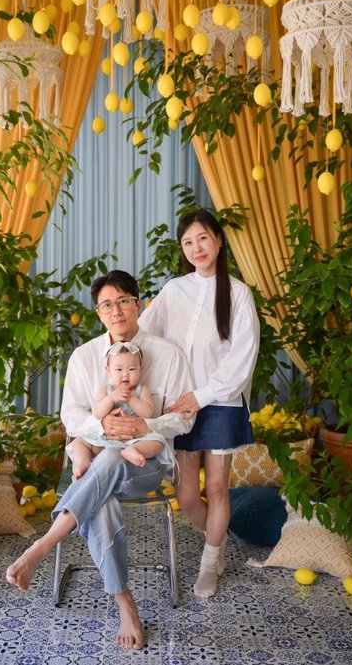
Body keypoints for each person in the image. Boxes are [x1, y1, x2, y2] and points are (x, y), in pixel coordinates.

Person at [6, 270, 193, 650]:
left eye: (123, 301)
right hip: (98, 458)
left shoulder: (169, 354)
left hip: (145, 465)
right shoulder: (85, 356)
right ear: (98, 312)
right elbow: (71, 416)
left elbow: (185, 419)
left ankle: (44, 545)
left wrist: (144, 423)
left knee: (106, 465)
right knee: (102, 493)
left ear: (138, 305)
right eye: (107, 305)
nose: (116, 311)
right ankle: (125, 603)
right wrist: (101, 424)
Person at [139, 208, 260, 600]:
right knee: (187, 496)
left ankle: (209, 563)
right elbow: (144, 337)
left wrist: (202, 395)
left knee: (219, 488)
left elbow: (241, 359)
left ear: (218, 241)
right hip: (180, 404)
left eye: (203, 238)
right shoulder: (174, 291)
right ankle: (217, 540)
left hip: (221, 402)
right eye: (188, 242)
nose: (196, 248)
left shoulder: (239, 294)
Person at [69, 341, 174, 478]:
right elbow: (97, 413)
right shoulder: (106, 391)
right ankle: (83, 462)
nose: (125, 374)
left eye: (131, 369)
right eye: (118, 370)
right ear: (108, 371)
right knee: (79, 442)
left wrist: (131, 399)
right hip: (106, 440)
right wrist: (111, 399)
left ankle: (134, 451)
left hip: (135, 439)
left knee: (158, 443)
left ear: (141, 369)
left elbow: (147, 412)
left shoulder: (141, 390)